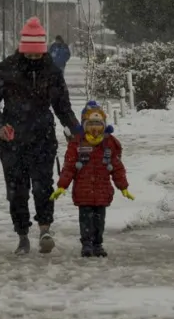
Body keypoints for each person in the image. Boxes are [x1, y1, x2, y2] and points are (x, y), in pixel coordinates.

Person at [0, 17, 81, 255]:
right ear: (23, 49)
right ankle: (22, 235)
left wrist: (76, 132)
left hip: (42, 139)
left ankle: (45, 229)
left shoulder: (52, 71)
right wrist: (0, 124)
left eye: (38, 54)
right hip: (12, 141)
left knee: (43, 187)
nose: (35, 58)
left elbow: (63, 107)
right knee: (16, 191)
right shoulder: (7, 68)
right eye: (31, 54)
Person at [50, 100, 134, 257]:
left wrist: (123, 187)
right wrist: (62, 185)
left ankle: (98, 244)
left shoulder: (109, 144)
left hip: (102, 192)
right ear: (84, 125)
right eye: (91, 124)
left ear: (103, 125)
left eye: (98, 124)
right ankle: (86, 244)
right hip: (83, 192)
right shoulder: (77, 143)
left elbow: (117, 167)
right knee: (85, 220)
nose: (95, 128)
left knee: (99, 221)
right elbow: (69, 167)